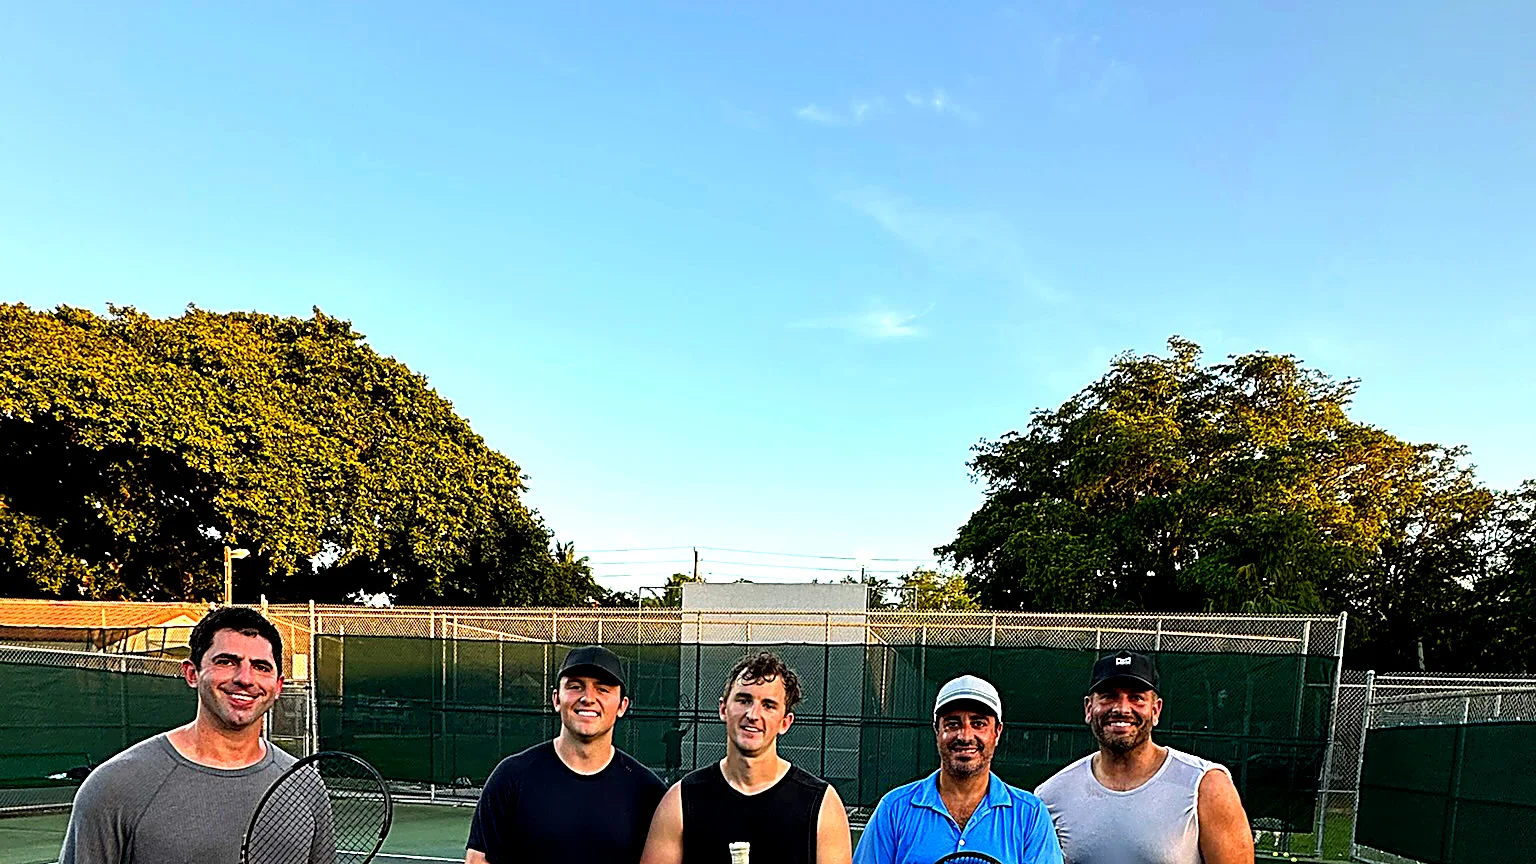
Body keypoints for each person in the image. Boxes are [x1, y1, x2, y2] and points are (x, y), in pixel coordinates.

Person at [59, 605, 300, 864]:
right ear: (192, 673)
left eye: (261, 666)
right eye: (226, 662)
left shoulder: (303, 784)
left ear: (277, 687)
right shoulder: (113, 786)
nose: (245, 678)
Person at [1034, 651, 1255, 864]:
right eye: (1108, 697)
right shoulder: (1051, 795)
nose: (1121, 708)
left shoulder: (1206, 786)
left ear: (1156, 710)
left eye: (1136, 698)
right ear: (1089, 708)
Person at [640, 650, 853, 864]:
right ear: (723, 709)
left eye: (768, 705)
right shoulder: (681, 799)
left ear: (785, 722)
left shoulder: (822, 804)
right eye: (743, 700)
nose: (753, 715)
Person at [467, 645, 666, 863]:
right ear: (556, 699)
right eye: (575, 686)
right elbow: (478, 860)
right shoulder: (512, 778)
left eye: (603, 689)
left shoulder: (648, 792)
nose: (588, 698)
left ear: (622, 706)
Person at [854, 675, 1064, 864]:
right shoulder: (894, 810)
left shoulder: (1030, 815)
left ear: (997, 732)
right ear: (937, 731)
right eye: (953, 724)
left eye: (978, 723)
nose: (965, 736)